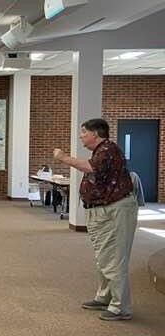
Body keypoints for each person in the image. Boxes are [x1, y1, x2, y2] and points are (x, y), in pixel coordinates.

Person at [53, 118, 138, 321]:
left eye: (84, 132)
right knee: (104, 257)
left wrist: (64, 158)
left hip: (113, 211)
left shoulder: (108, 150)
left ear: (95, 134)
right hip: (102, 211)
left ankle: (120, 307)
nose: (81, 135)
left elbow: (89, 167)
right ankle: (105, 296)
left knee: (114, 258)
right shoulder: (101, 151)